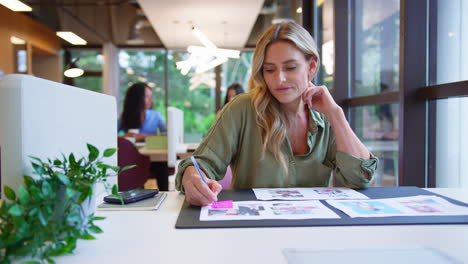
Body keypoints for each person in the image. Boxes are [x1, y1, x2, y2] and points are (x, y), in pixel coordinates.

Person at [176, 21, 378, 206]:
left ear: (312, 65)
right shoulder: (243, 108)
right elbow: (200, 164)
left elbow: (361, 178)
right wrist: (192, 178)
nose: (279, 79)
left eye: (290, 67)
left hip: (313, 230)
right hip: (254, 227)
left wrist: (336, 114)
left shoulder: (325, 114)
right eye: (269, 70)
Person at [119, 82, 169, 191]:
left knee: (162, 164)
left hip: (153, 157)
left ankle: (165, 193)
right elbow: (110, 135)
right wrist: (125, 136)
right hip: (132, 157)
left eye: (151, 97)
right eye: (147, 96)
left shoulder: (156, 115)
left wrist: (144, 136)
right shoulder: (124, 116)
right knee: (131, 165)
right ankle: (136, 195)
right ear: (137, 98)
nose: (150, 100)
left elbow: (167, 134)